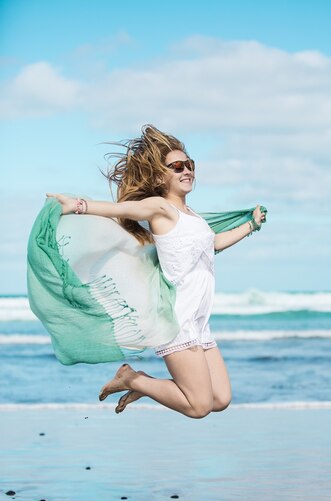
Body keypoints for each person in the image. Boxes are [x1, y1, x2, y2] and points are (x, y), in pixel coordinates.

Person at [45, 125, 266, 419]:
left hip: (198, 321)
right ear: (161, 176)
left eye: (190, 165)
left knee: (221, 398)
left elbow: (214, 244)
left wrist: (250, 225)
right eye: (177, 166)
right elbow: (121, 209)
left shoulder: (193, 217)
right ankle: (134, 379)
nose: (186, 170)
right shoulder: (160, 208)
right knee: (199, 407)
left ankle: (143, 384)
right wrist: (78, 205)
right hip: (176, 320)